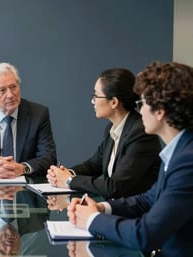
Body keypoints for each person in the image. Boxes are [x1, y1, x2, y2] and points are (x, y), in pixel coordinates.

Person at [67, 62, 193, 257]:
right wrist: (102, 207)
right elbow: (146, 201)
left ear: (160, 111)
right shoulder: (179, 152)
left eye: (142, 104)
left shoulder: (187, 162)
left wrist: (93, 219)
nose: (139, 111)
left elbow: (145, 234)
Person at [47, 68, 161, 199]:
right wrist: (65, 173)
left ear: (113, 102)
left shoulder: (140, 133)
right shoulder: (112, 129)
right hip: (117, 210)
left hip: (136, 214)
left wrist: (69, 180)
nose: (92, 101)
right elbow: (93, 165)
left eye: (95, 96)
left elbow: (115, 187)